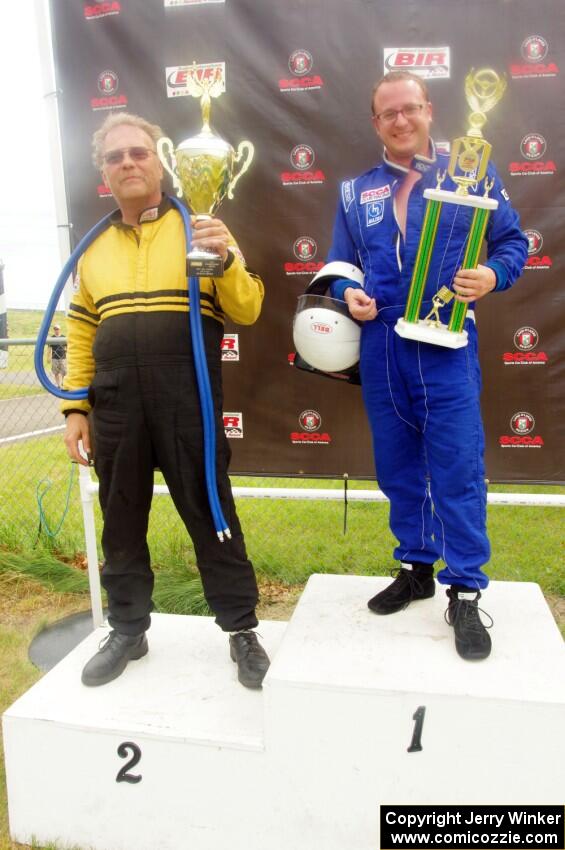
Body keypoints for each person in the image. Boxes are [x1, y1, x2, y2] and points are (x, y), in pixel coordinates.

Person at [62, 112, 270, 689]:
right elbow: (81, 332)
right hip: (117, 403)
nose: (127, 163)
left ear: (161, 162)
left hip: (189, 395)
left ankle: (242, 630)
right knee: (120, 520)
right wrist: (76, 407)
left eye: (138, 153)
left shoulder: (204, 227)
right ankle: (129, 629)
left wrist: (225, 260)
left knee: (212, 513)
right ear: (103, 173)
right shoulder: (93, 248)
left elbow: (249, 307)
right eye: (114, 157)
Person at [327, 71, 528, 661]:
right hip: (383, 341)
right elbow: (340, 264)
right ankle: (416, 566)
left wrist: (491, 276)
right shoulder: (354, 191)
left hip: (446, 342)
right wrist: (348, 296)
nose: (400, 120)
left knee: (458, 468)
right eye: (387, 112)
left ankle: (464, 590)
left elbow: (513, 243)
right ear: (375, 122)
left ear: (429, 110)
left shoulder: (471, 171)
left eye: (409, 108)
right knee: (397, 468)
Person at [47, 324, 67, 388]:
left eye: (57, 329)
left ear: (60, 330)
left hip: (63, 357)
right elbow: (49, 348)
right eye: (55, 329)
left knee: (64, 372)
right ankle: (58, 385)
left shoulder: (63, 337)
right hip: (54, 358)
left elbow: (67, 347)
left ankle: (63, 383)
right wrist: (48, 357)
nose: (56, 330)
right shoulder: (52, 338)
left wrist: (68, 355)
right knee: (56, 372)